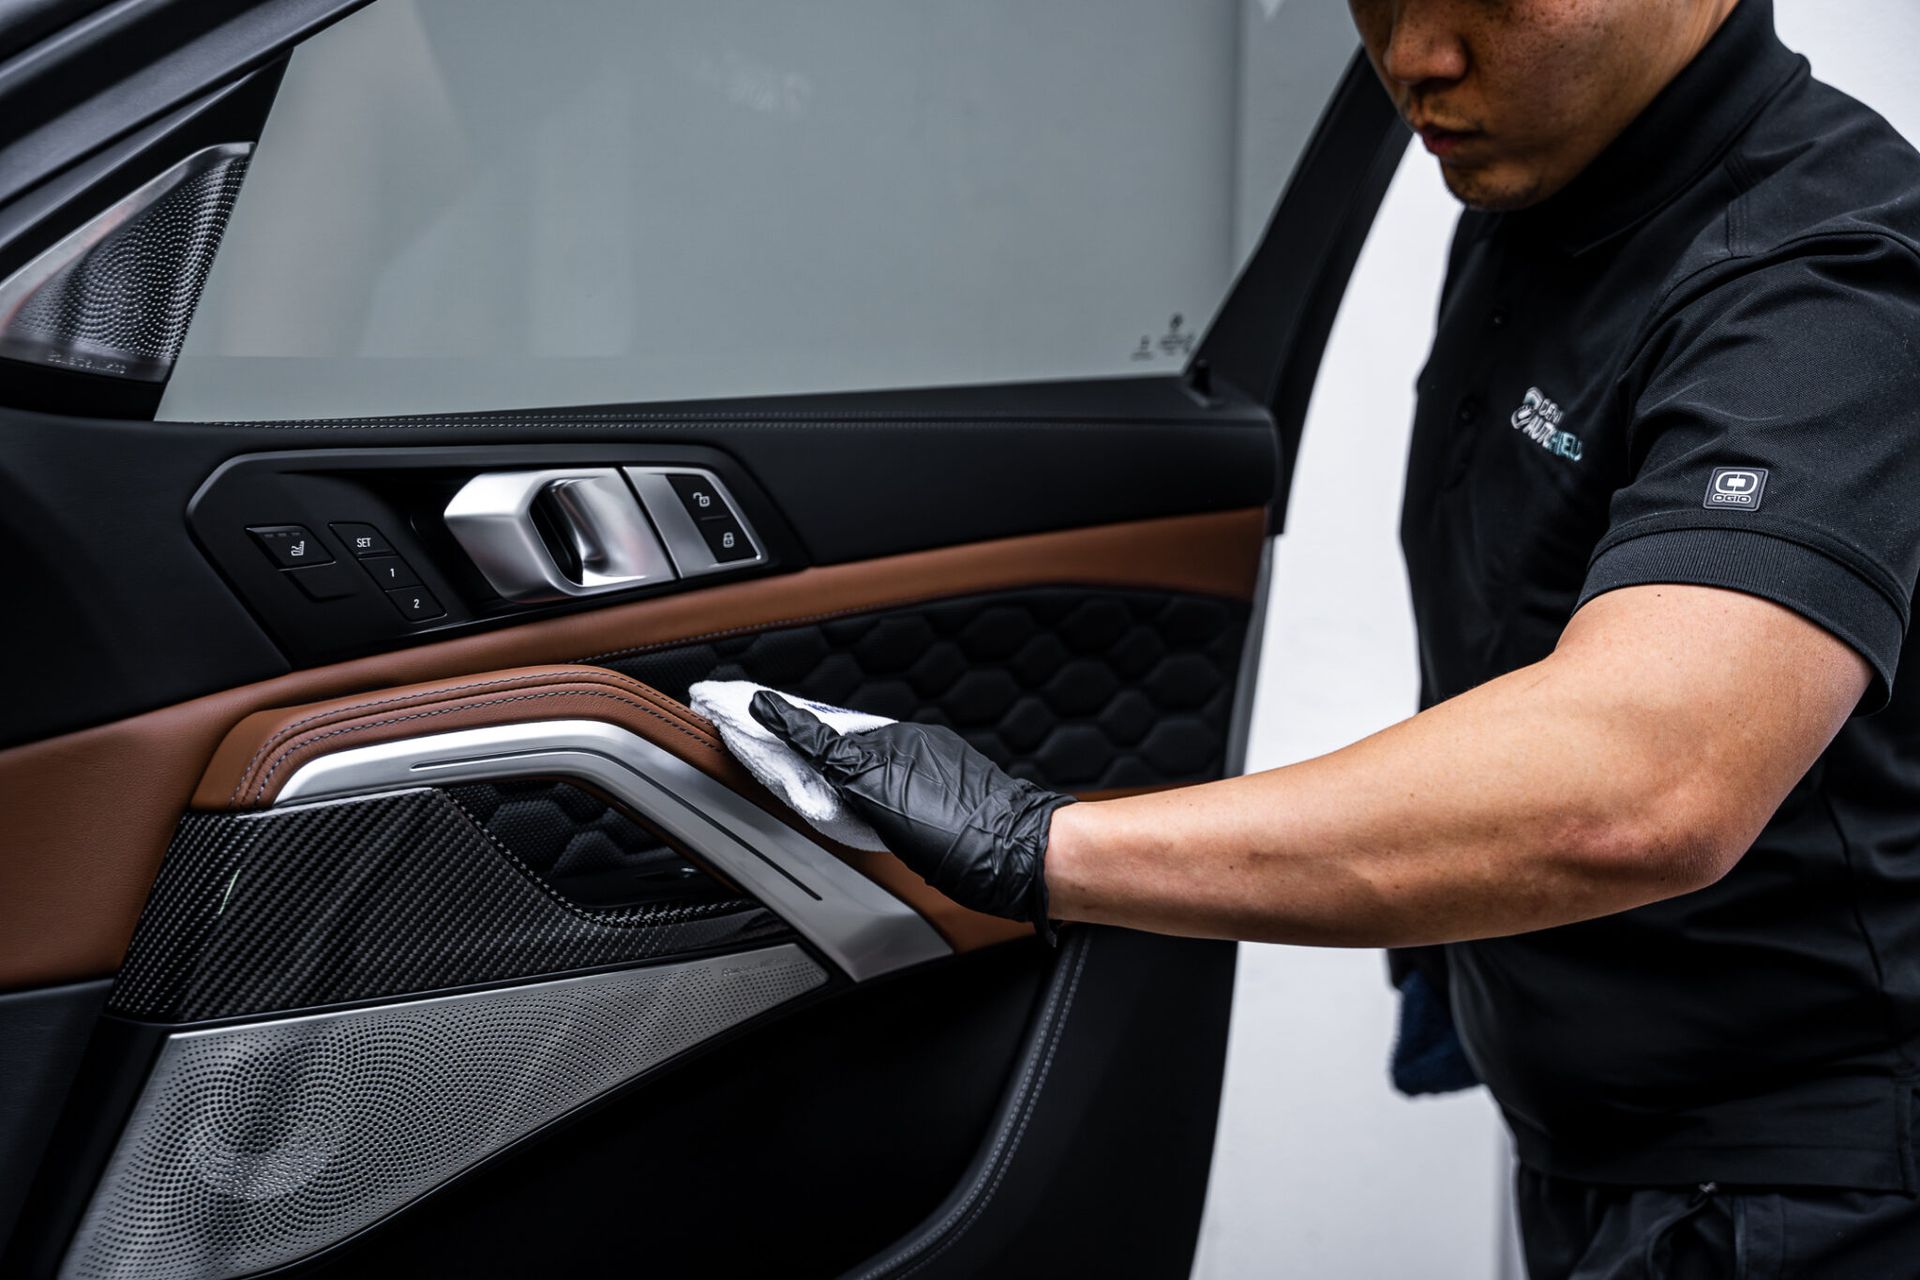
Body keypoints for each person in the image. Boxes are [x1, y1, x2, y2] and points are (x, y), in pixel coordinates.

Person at [751, 0, 1920, 1273]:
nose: (1415, 56)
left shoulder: (1831, 281)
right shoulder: (1543, 185)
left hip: (1812, 1182)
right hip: (1606, 1141)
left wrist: (1042, 845)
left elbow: (1647, 779)